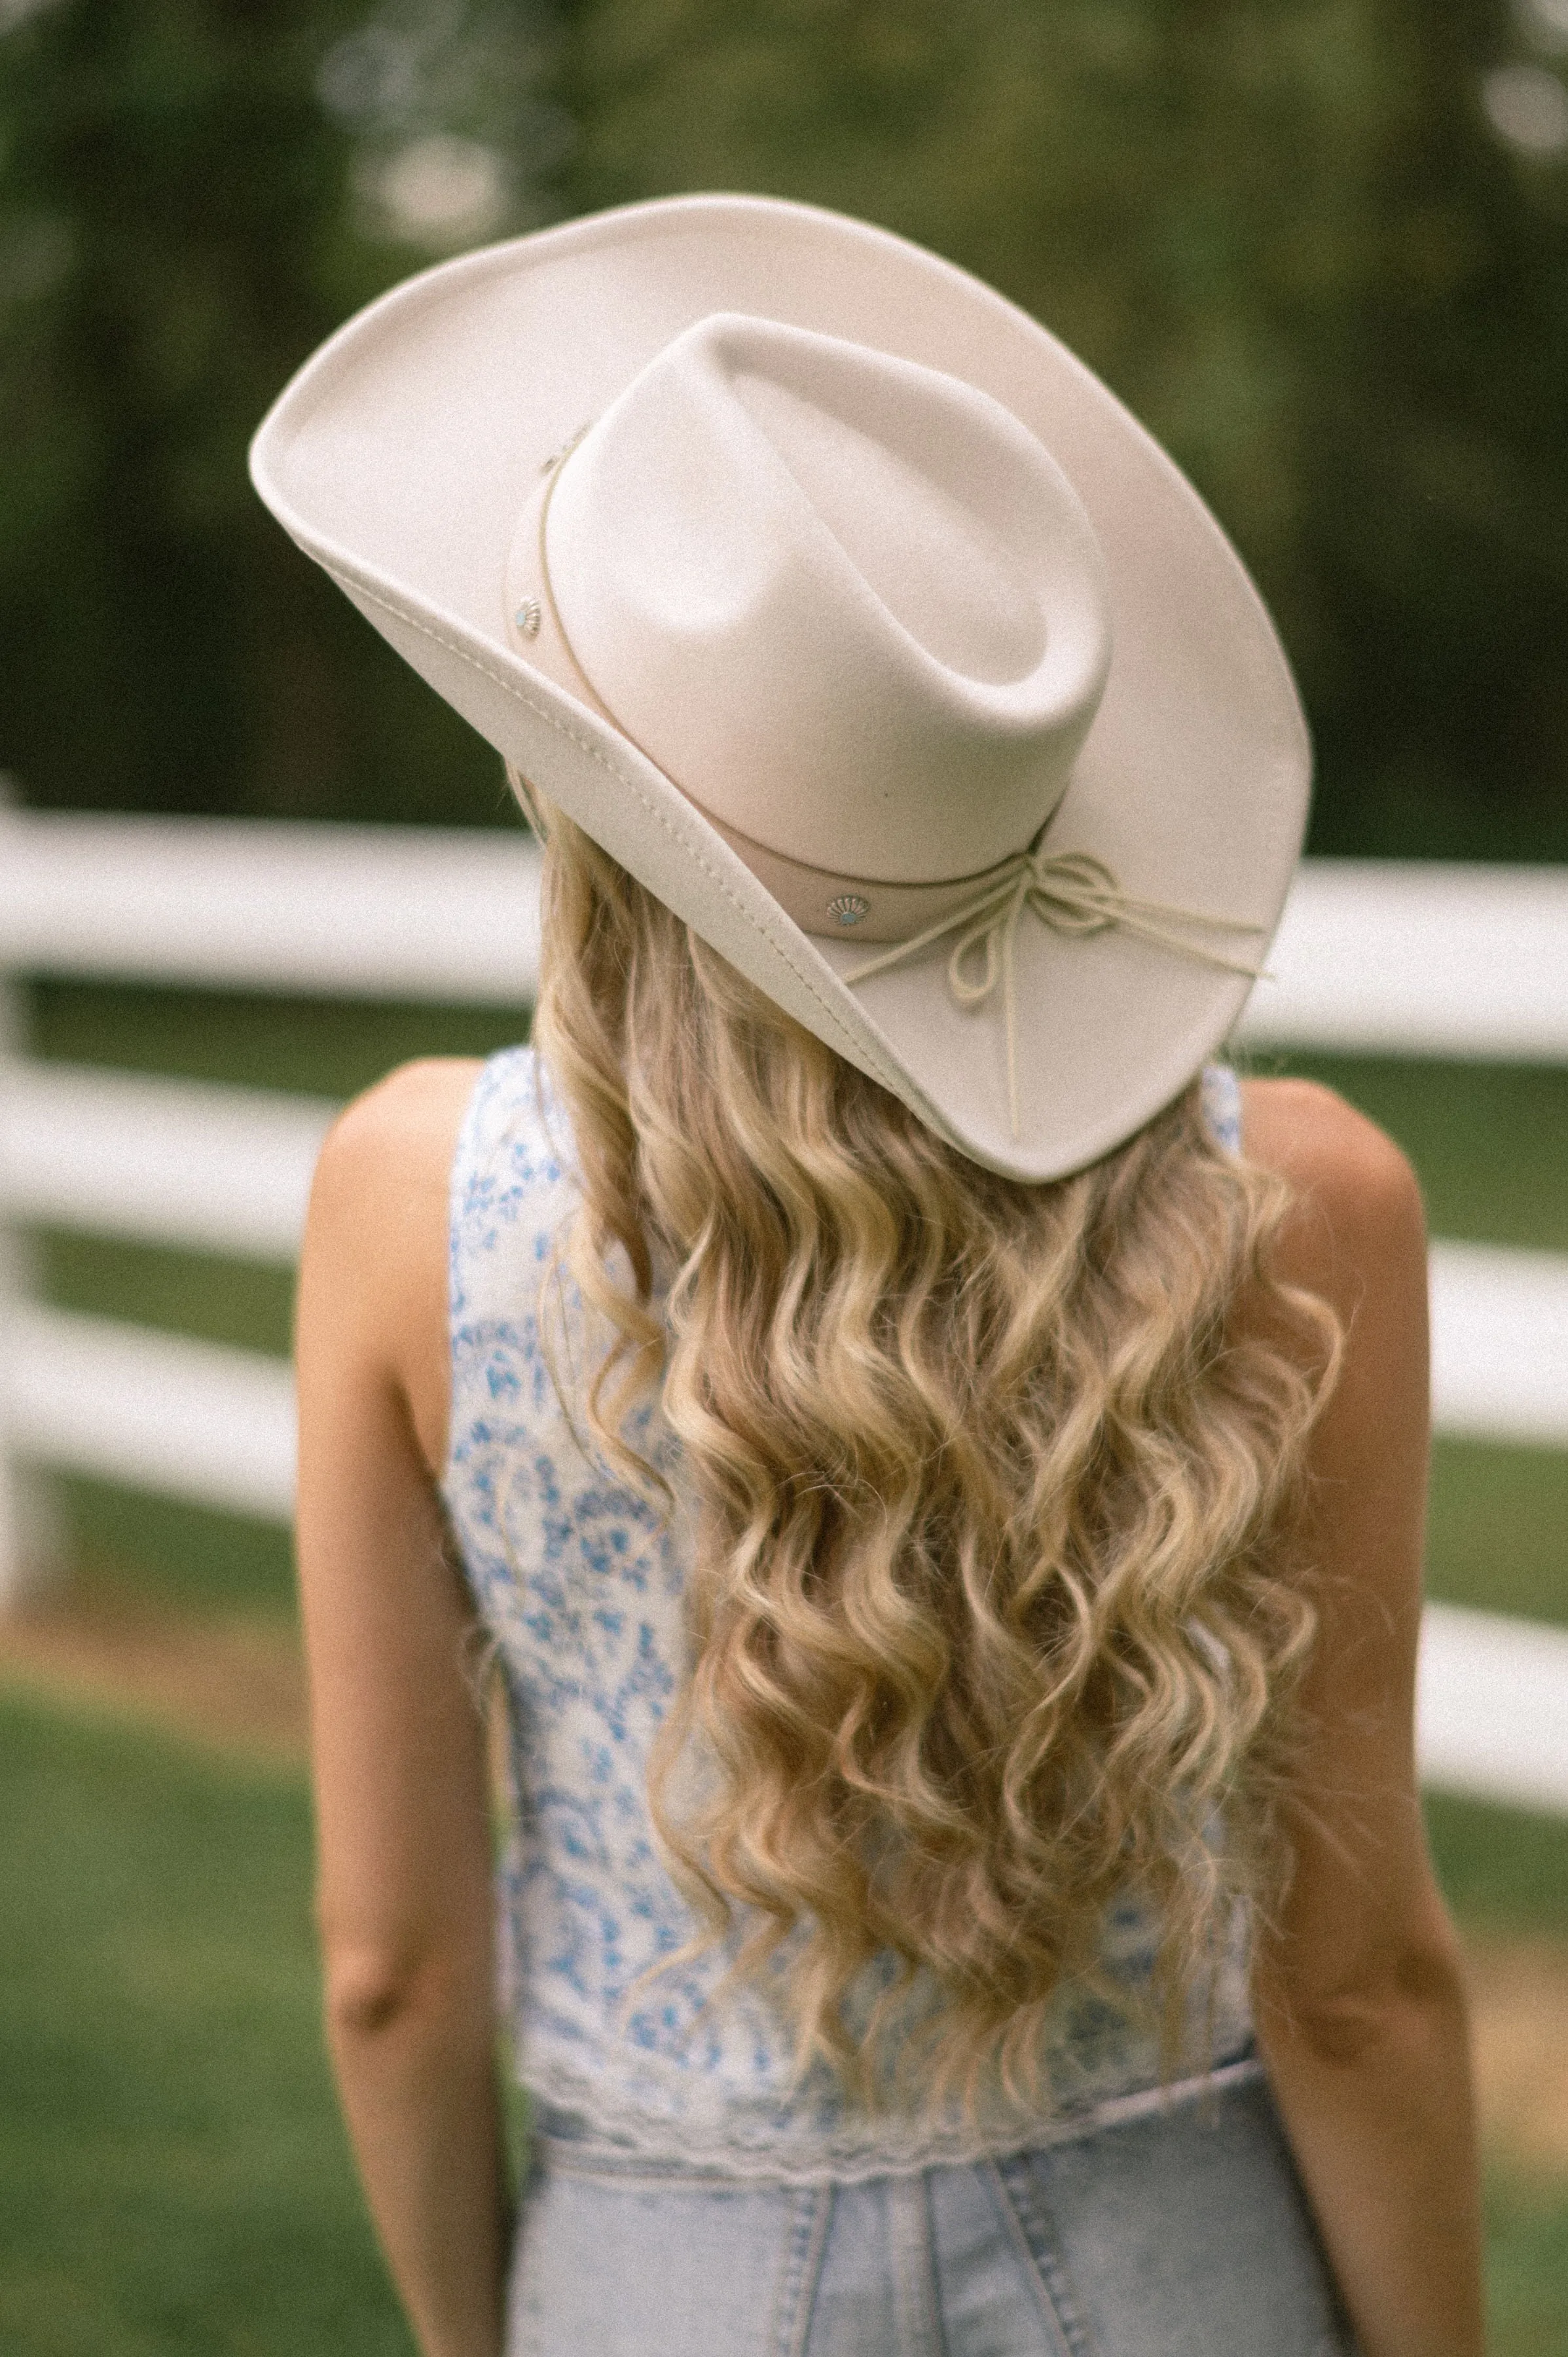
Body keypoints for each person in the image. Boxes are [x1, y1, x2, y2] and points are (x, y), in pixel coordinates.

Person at [256, 196, 1484, 2357]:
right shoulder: (1302, 1213)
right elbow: (1355, 1977)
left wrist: (485, 2326)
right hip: (1174, 2262)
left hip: (661, 2276)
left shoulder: (404, 1204)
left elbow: (396, 1964)